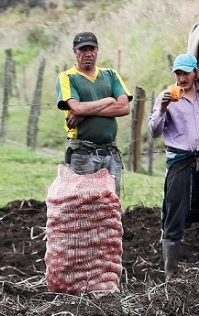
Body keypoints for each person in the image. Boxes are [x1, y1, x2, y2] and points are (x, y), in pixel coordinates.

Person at [148, 53, 199, 275]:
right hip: (181, 162)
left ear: (196, 73)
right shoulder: (167, 97)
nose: (182, 78)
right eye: (178, 73)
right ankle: (170, 273)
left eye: (186, 73)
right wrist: (162, 108)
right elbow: (154, 131)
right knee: (174, 212)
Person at [56, 32, 132, 195]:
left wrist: (85, 112)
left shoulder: (110, 75)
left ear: (97, 50)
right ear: (75, 52)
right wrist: (108, 100)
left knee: (110, 205)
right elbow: (76, 108)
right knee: (83, 205)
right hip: (83, 152)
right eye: (83, 50)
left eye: (92, 49)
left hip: (110, 151)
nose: (88, 54)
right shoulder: (67, 77)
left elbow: (124, 108)